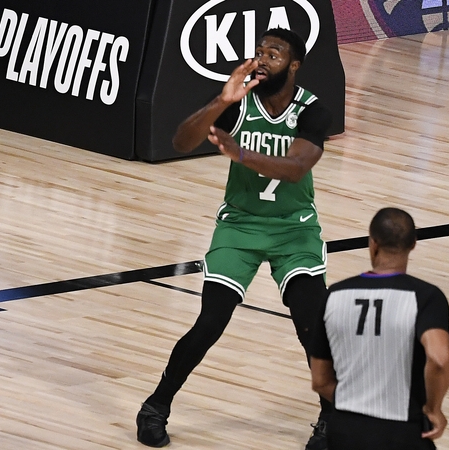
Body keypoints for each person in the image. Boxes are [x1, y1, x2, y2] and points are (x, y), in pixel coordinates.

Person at [135, 28, 333, 449]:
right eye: (259, 52)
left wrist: (239, 153)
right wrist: (222, 101)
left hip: (294, 227)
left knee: (313, 328)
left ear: (294, 65)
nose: (262, 60)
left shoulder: (313, 109)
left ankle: (331, 420)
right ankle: (155, 406)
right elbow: (181, 141)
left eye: (274, 54)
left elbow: (296, 167)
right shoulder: (239, 103)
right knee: (210, 322)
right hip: (239, 225)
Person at [310, 207, 449, 449]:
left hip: (345, 430)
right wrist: (433, 409)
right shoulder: (426, 297)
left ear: (372, 243)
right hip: (402, 430)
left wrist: (354, 406)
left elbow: (320, 381)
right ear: (413, 244)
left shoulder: (335, 295)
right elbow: (439, 359)